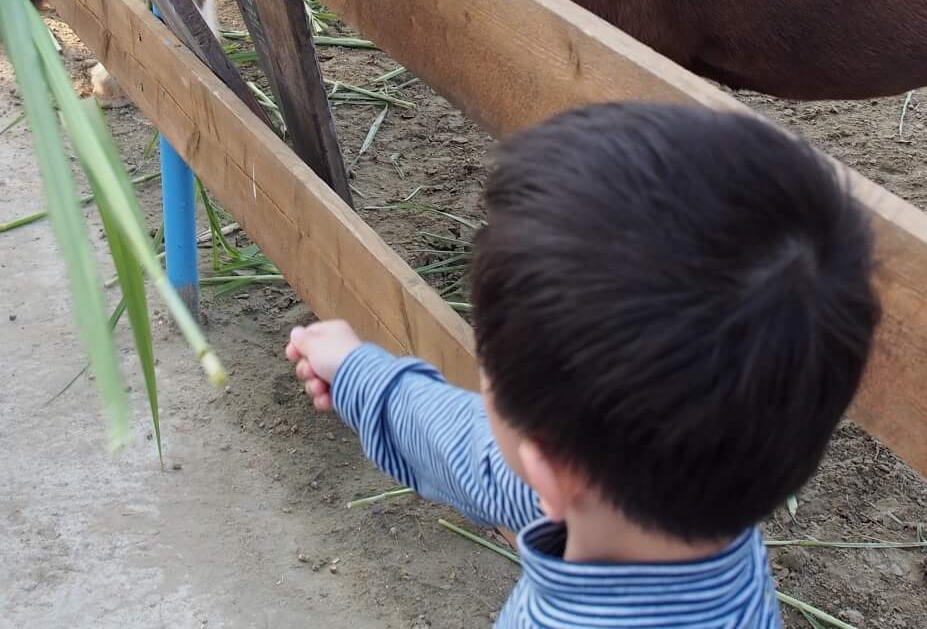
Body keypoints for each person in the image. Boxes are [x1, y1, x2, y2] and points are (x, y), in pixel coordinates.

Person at [286, 103, 881, 628]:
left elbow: (498, 461)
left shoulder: (601, 489)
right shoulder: (708, 485)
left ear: (546, 473)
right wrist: (358, 372)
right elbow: (482, 456)